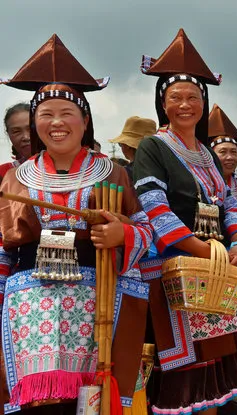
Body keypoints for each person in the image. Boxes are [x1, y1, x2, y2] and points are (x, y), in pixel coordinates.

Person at [0, 34, 152, 414]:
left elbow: (147, 230)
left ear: (85, 121)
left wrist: (123, 234)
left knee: (89, 403)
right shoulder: (15, 179)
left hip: (97, 305)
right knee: (37, 403)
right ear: (34, 124)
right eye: (45, 114)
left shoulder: (114, 174)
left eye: (67, 113)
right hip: (30, 308)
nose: (56, 123)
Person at [133, 29, 237, 415]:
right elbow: (155, 208)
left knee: (216, 364)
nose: (185, 104)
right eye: (176, 98)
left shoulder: (207, 151)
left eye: (193, 97)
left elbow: (230, 201)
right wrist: (203, 250)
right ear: (162, 103)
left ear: (204, 102)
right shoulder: (153, 147)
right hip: (177, 267)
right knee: (184, 370)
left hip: (217, 268)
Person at [208, 104, 237, 211]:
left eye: (234, 152)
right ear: (211, 155)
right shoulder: (201, 186)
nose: (229, 157)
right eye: (223, 152)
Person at [109, 116, 157, 181]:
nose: (121, 147)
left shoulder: (123, 174)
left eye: (120, 144)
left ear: (128, 145)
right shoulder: (160, 168)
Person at [1, 102, 31, 181]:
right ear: (9, 134)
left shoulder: (64, 169)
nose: (26, 137)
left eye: (31, 129)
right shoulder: (3, 174)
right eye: (16, 131)